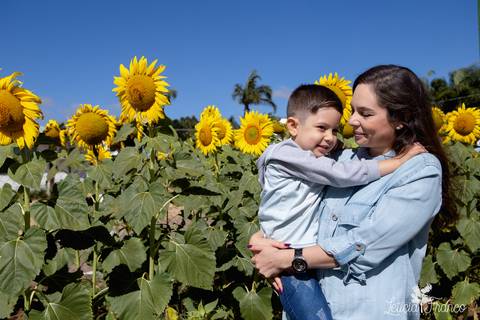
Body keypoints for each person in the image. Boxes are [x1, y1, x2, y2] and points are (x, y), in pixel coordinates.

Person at [249, 65, 453, 320]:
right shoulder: (339, 160)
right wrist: (261, 240)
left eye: (365, 113)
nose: (352, 120)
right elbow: (292, 202)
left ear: (400, 118)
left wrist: (289, 259)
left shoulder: (420, 170)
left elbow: (365, 244)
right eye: (353, 110)